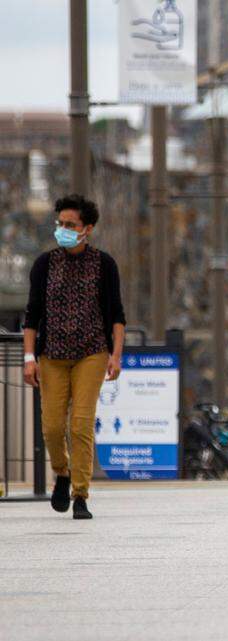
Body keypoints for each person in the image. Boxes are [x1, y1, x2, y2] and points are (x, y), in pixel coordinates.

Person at [22, 194, 125, 520]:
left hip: (91, 353)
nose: (64, 229)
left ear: (87, 228)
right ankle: (62, 473)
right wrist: (28, 357)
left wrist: (116, 356)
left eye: (71, 225)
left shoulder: (104, 264)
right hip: (52, 355)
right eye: (60, 224)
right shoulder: (44, 265)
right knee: (52, 426)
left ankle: (80, 494)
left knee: (80, 423)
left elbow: (117, 316)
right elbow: (32, 315)